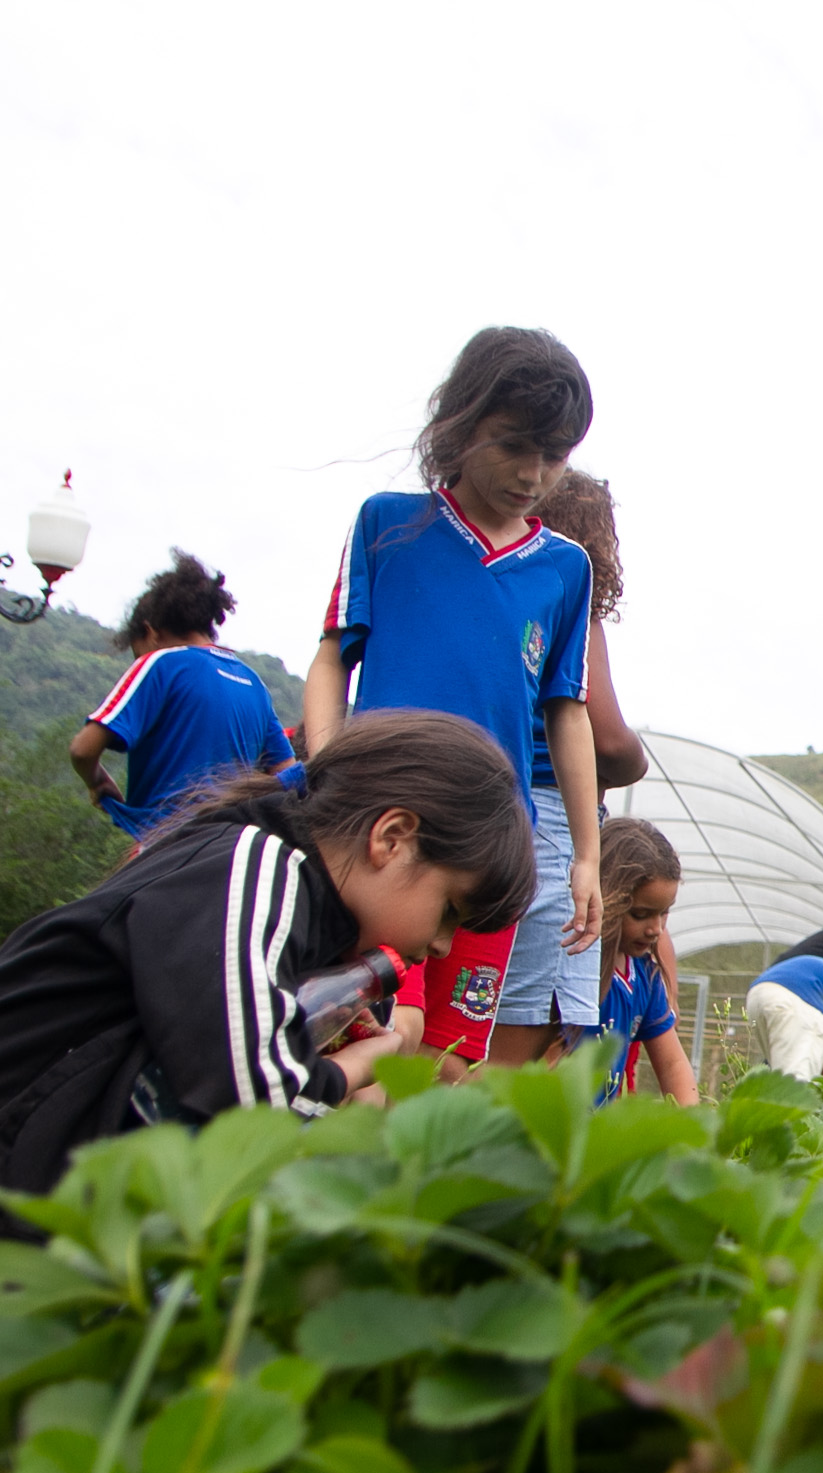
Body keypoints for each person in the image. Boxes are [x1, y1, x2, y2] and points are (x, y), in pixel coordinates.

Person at [0, 710, 535, 1308]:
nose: (443, 944)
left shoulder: (301, 906)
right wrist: (356, 1066)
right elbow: (254, 1095)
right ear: (391, 837)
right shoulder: (257, 864)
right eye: (451, 908)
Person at [305, 327, 603, 1078]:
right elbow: (331, 659)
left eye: (555, 455)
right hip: (381, 839)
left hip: (494, 848)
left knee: (450, 1058)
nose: (533, 473)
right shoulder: (388, 526)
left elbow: (567, 712)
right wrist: (326, 774)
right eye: (512, 445)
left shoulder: (564, 569)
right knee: (363, 1033)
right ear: (460, 425)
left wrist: (587, 854)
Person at [394, 467, 651, 1080]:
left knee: (436, 1016)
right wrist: (636, 762)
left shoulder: (479, 588)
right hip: (544, 814)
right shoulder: (564, 589)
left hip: (472, 801)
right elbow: (607, 737)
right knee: (510, 1035)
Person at [71, 551, 295, 839]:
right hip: (228, 845)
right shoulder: (253, 683)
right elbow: (287, 776)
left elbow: (82, 750)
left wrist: (96, 781)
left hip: (169, 843)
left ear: (150, 632)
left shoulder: (160, 664)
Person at [573, 818, 696, 1105]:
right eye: (640, 915)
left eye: (664, 913)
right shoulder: (574, 966)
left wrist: (691, 1132)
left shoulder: (645, 977)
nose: (656, 929)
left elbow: (673, 1066)